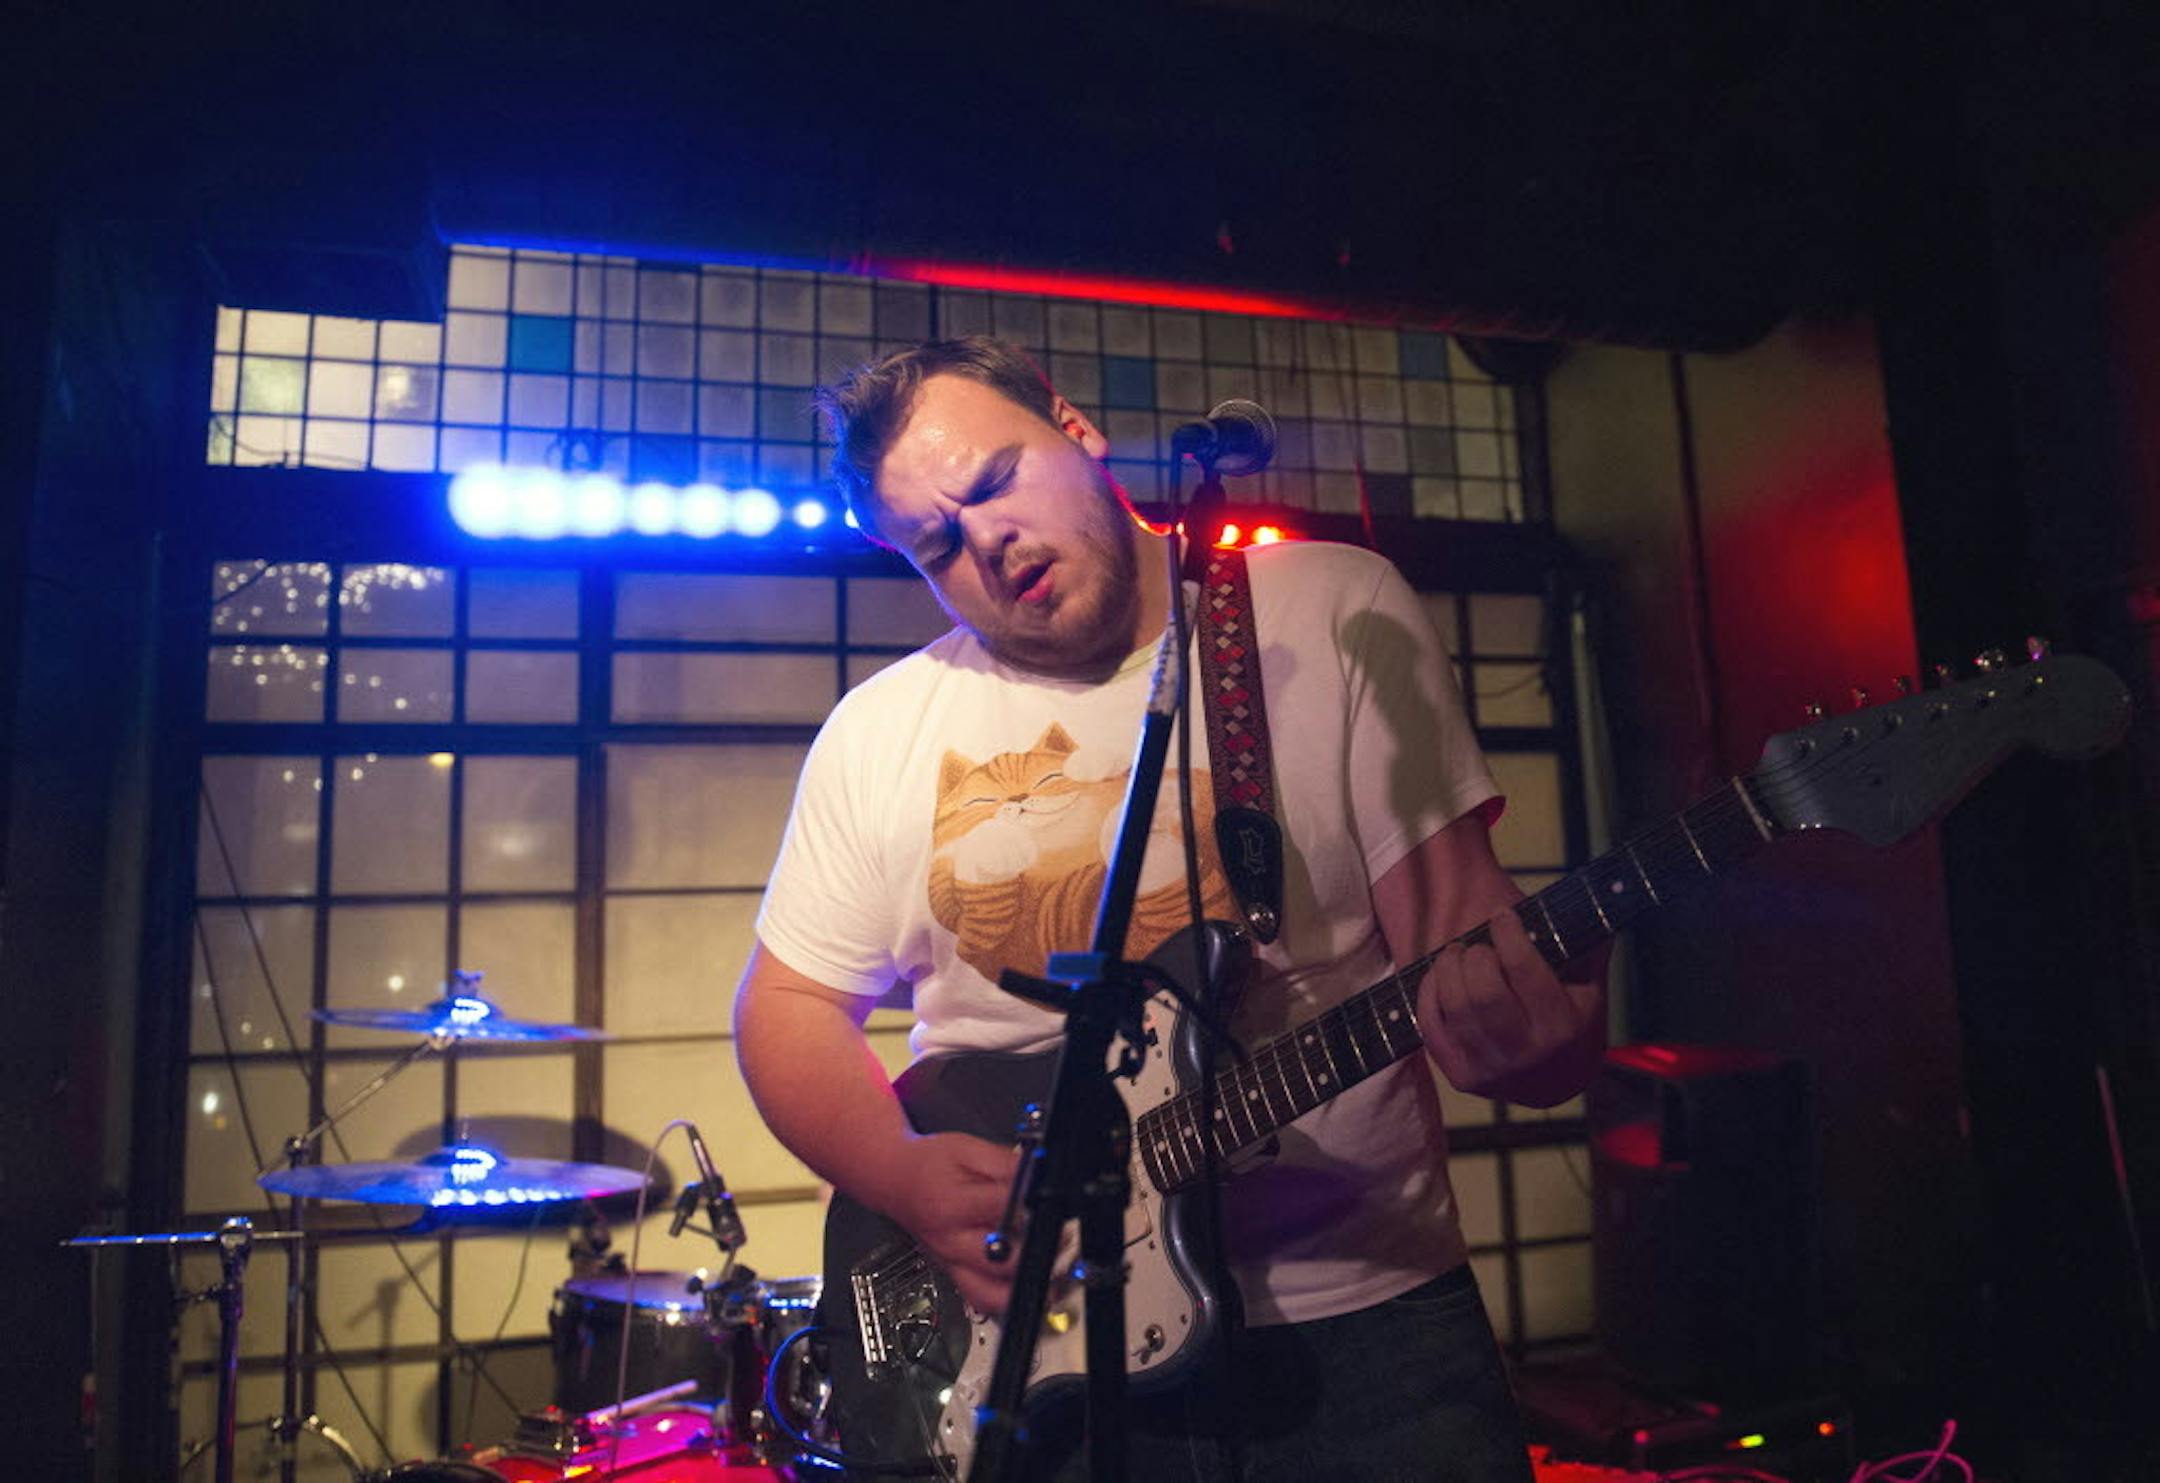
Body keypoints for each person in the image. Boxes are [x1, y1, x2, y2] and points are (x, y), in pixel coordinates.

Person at [734, 336, 1607, 1481]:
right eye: (938, 542)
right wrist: (904, 1179)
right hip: (1039, 1343)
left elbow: (1471, 951)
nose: (986, 541)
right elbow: (788, 1007)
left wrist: (1537, 1036)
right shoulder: (881, 728)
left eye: (996, 480)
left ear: (1074, 425)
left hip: (1362, 1329)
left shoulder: (1326, 612)